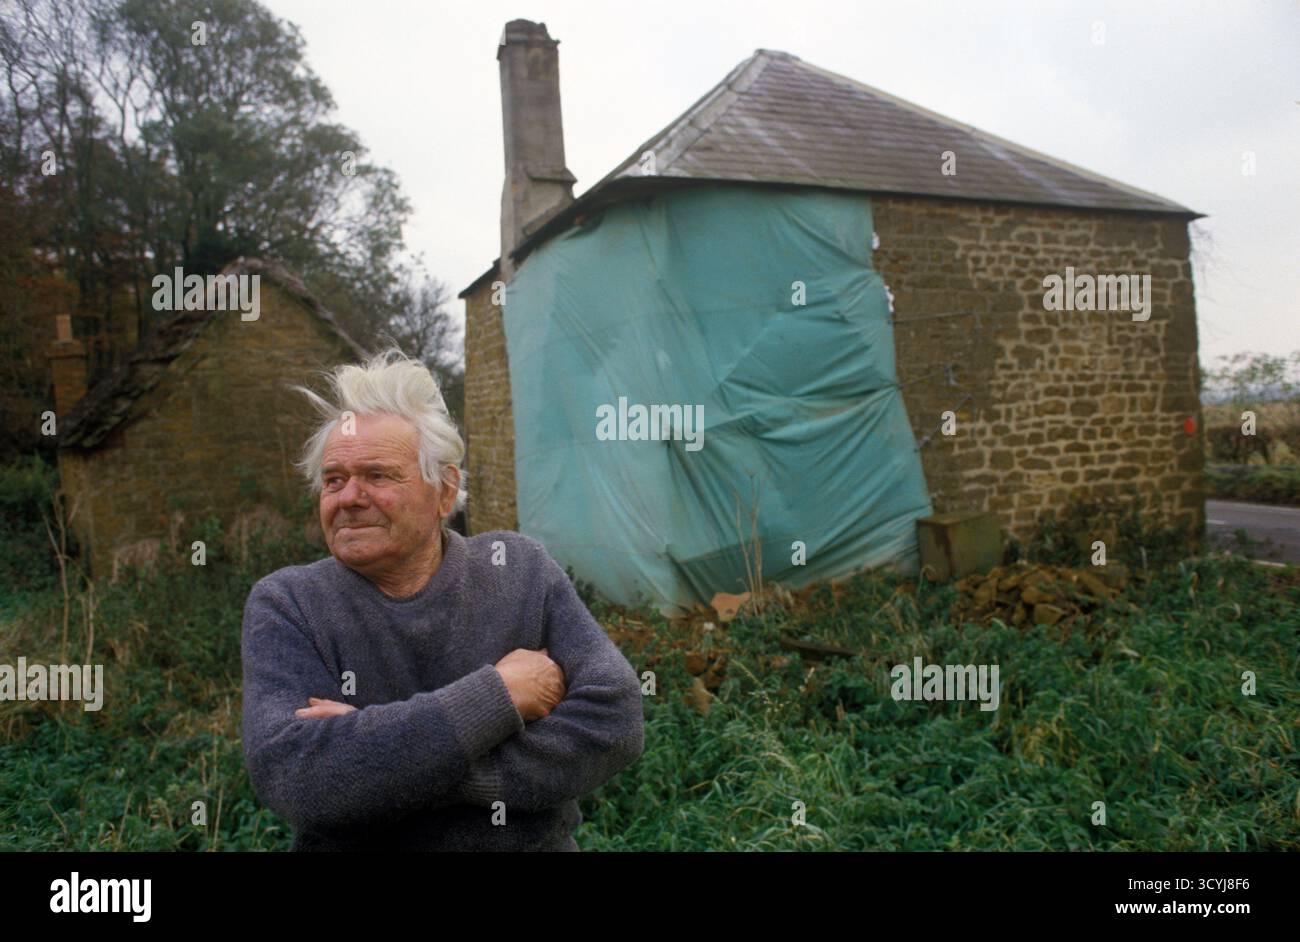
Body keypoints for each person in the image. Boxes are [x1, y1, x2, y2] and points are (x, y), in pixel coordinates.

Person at [240, 348, 644, 850]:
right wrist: (498, 695)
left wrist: (387, 759)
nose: (348, 497)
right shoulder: (288, 604)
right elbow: (301, 779)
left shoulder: (517, 570)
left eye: (378, 475)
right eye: (334, 480)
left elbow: (616, 720)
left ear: (445, 491)